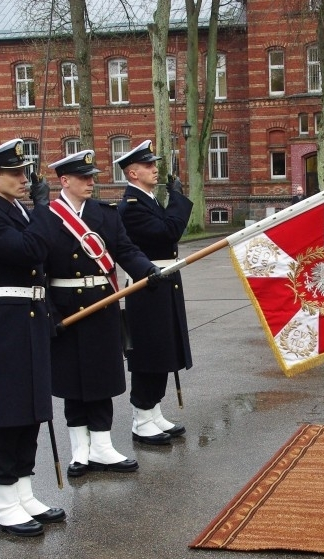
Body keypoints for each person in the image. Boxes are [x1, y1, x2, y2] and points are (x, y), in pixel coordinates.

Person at [0, 139, 65, 537]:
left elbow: (45, 249)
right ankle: (4, 503)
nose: (24, 179)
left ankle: (23, 492)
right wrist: (43, 208)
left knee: (30, 408)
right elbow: (31, 250)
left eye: (24, 173)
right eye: (16, 174)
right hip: (4, 324)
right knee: (7, 411)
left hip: (30, 317)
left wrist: (36, 211)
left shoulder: (16, 212)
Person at [36, 150, 160, 477]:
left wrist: (147, 271)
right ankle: (80, 449)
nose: (92, 182)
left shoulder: (105, 213)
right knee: (71, 380)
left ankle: (102, 445)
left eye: (92, 176)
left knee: (101, 378)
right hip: (64, 308)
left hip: (101, 304)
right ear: (64, 181)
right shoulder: (46, 215)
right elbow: (37, 268)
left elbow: (125, 249)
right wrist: (48, 310)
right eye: (84, 178)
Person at [116, 140, 193, 445]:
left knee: (163, 349)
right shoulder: (131, 206)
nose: (154, 169)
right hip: (145, 285)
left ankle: (154, 411)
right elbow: (168, 232)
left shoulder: (147, 199)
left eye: (153, 164)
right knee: (148, 352)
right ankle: (140, 417)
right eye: (148, 166)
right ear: (132, 173)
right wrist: (177, 197)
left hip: (164, 281)